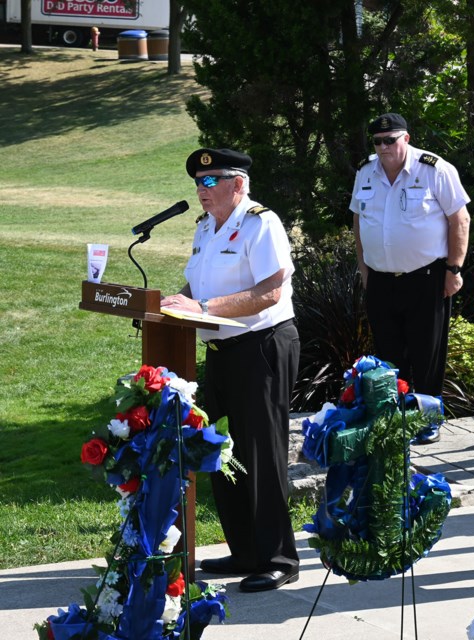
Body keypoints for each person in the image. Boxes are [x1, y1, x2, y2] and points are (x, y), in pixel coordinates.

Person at [160, 148, 300, 593]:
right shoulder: (205, 228)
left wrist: (199, 307)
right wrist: (167, 305)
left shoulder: (262, 223)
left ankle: (279, 558)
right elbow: (197, 285)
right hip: (220, 351)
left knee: (262, 454)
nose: (201, 191)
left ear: (237, 183)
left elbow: (269, 292)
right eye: (197, 183)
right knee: (222, 453)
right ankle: (245, 550)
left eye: (210, 181)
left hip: (261, 347)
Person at [350, 113, 470, 443]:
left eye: (391, 140)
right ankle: (396, 420)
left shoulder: (434, 169)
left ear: (406, 138)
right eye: (378, 141)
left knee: (426, 353)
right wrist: (364, 268)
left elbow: (460, 219)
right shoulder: (365, 172)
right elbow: (360, 222)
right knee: (388, 354)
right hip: (381, 280)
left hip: (426, 277)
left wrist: (454, 269)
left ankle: (428, 419)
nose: (384, 147)